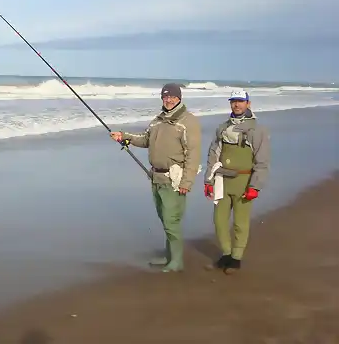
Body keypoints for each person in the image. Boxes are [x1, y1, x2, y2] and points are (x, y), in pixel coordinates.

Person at [110, 83, 201, 272]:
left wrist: (187, 182)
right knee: (164, 219)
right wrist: (124, 136)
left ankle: (176, 261)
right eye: (165, 97)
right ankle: (169, 257)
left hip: (174, 179)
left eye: (172, 97)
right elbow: (145, 139)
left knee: (171, 220)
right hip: (156, 177)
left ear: (179, 98)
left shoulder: (187, 121)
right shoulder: (157, 120)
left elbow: (193, 154)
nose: (168, 100)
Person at [203, 89, 270, 274]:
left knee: (241, 222)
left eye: (240, 101)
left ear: (248, 103)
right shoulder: (222, 128)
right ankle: (226, 253)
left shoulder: (257, 130)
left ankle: (236, 258)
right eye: (233, 101)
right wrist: (208, 180)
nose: (237, 105)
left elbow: (262, 161)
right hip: (222, 180)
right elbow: (213, 155)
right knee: (219, 220)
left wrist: (255, 186)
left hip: (244, 181)